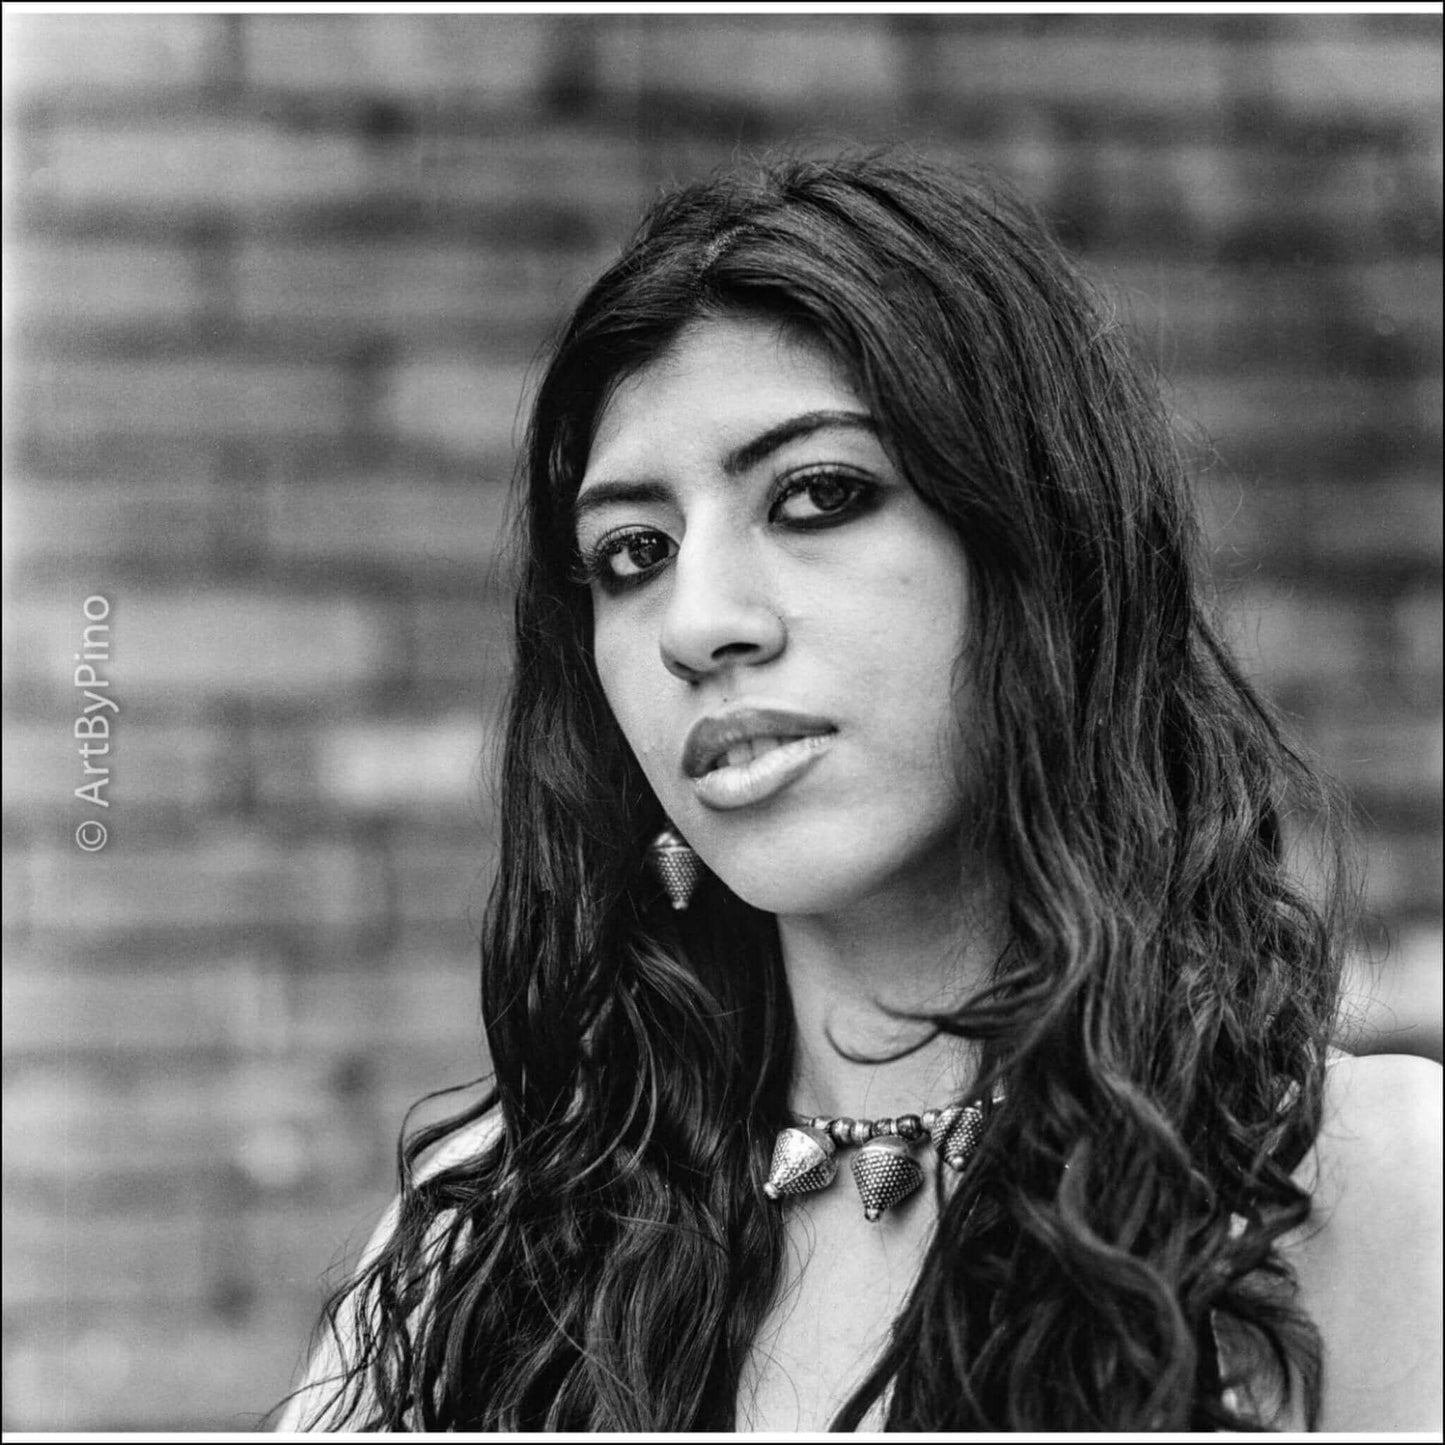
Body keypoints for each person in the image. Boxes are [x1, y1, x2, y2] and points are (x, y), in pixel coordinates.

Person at [276, 150, 1441, 1432]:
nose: (696, 621)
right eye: (630, 553)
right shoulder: (489, 1245)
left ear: (1036, 554)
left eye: (819, 494)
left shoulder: (1358, 1186)